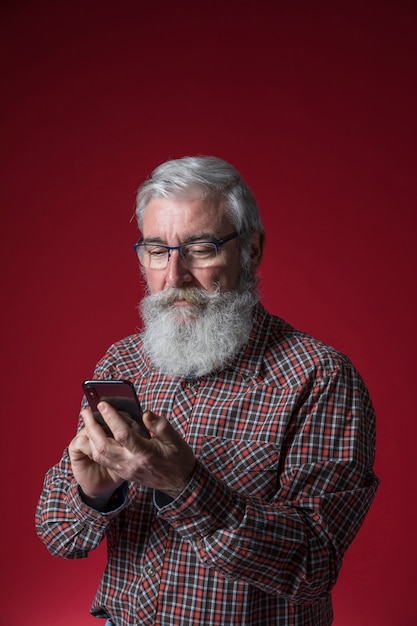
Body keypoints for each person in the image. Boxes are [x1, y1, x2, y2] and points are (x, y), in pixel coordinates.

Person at [36, 156, 379, 626]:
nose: (173, 277)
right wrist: (94, 496)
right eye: (157, 250)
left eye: (200, 248)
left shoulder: (319, 378)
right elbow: (60, 536)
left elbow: (313, 565)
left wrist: (184, 485)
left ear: (252, 251)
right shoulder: (122, 364)